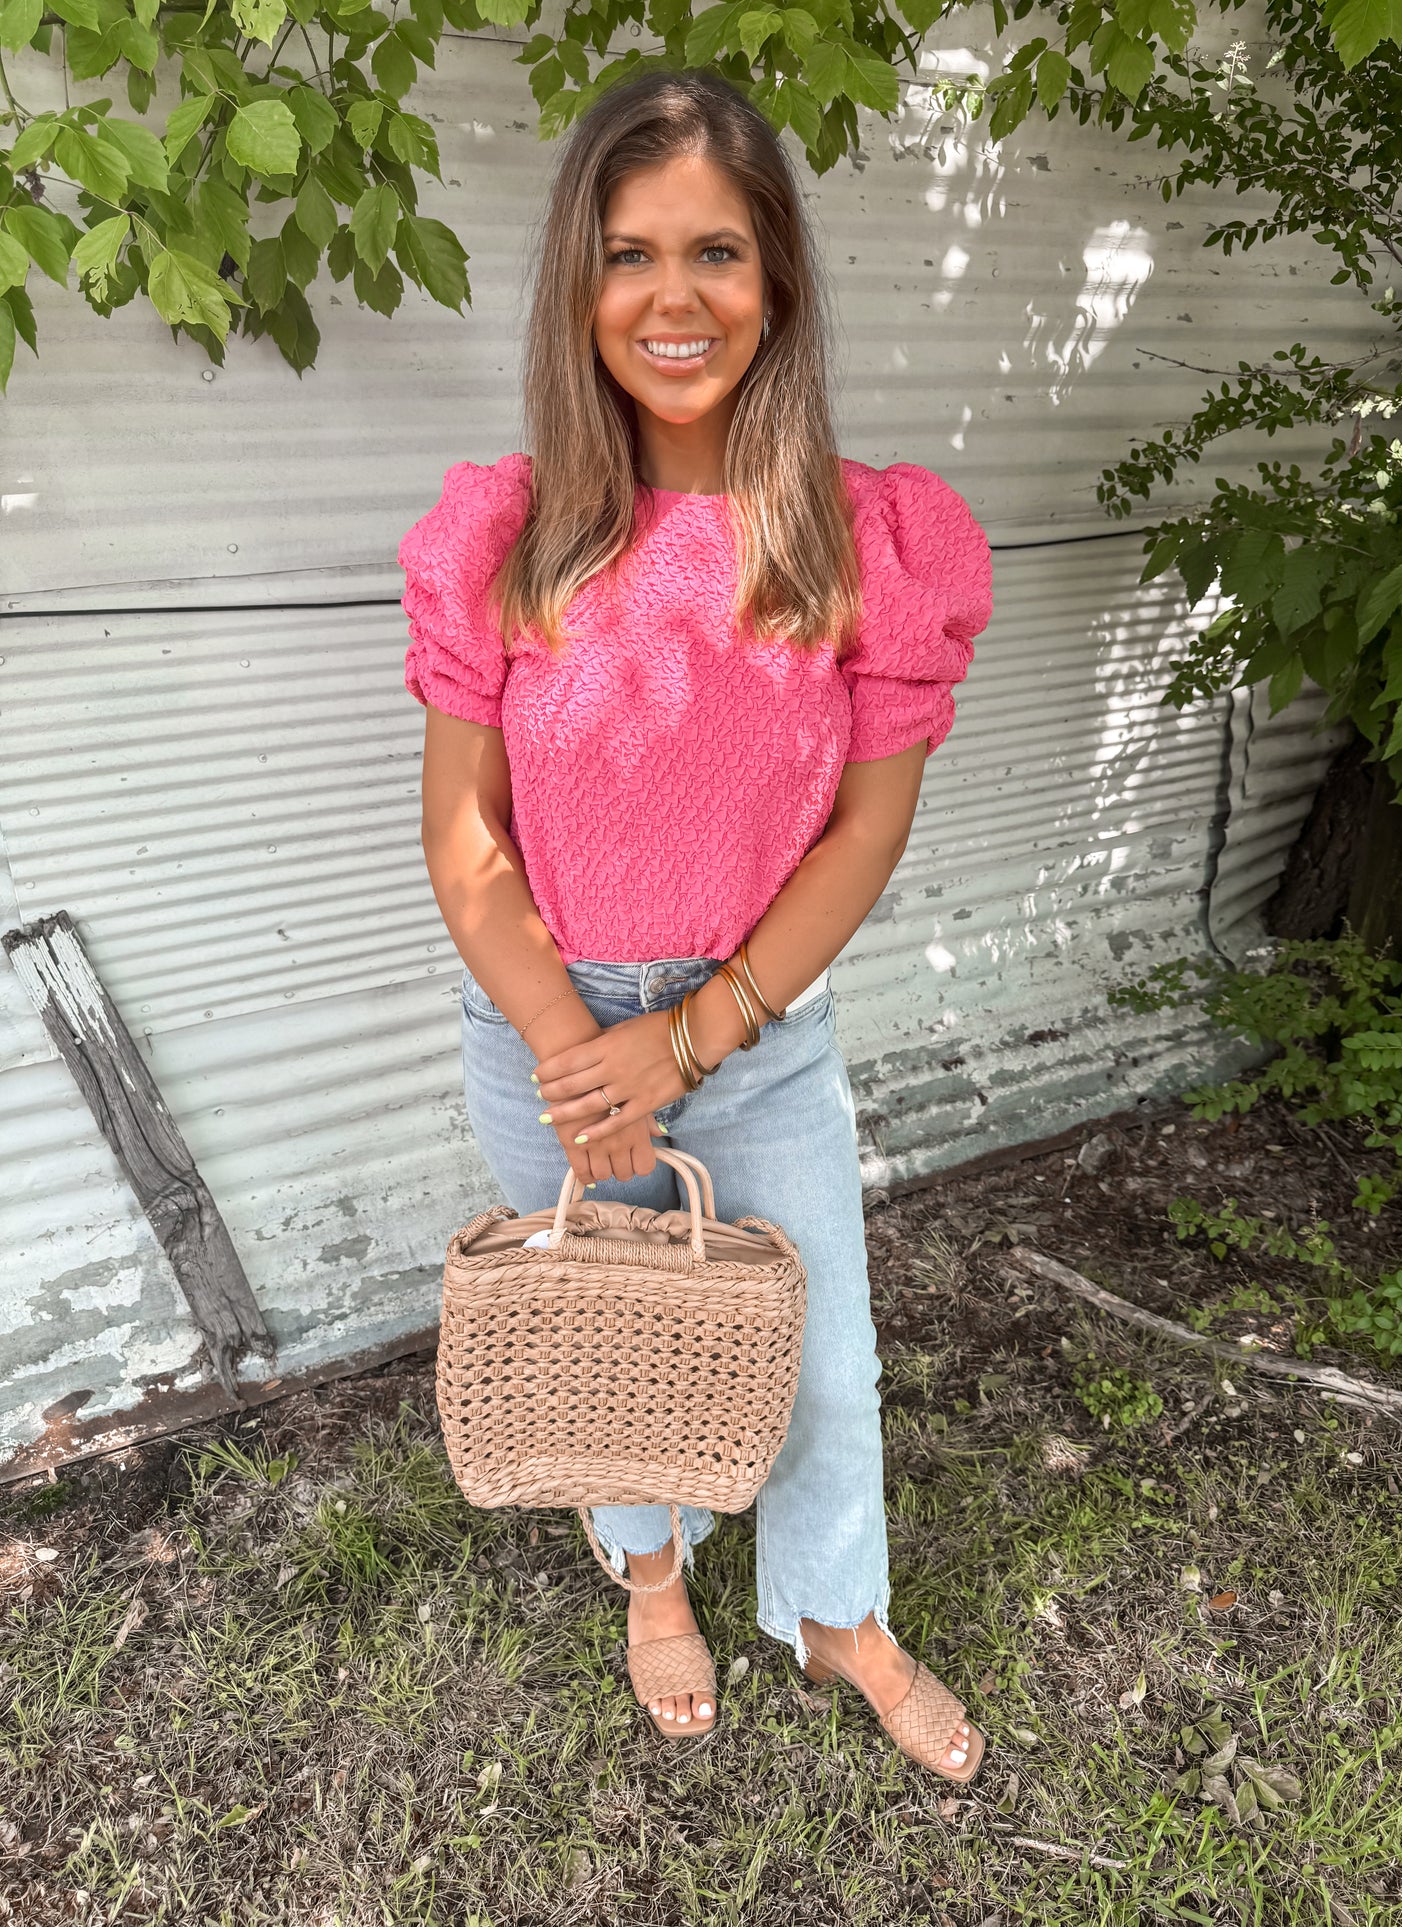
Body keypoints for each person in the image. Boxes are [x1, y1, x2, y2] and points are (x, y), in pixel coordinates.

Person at [396, 66, 993, 1784]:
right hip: (548, 1035)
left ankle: (837, 1615)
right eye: (630, 254)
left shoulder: (860, 537)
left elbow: (867, 828)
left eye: (717, 253)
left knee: (824, 1364)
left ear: (777, 281)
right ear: (579, 288)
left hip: (756, 1031)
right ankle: (653, 1584)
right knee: (610, 1351)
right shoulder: (508, 537)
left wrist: (698, 1031)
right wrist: (583, 1054)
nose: (674, 298)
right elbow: (463, 840)